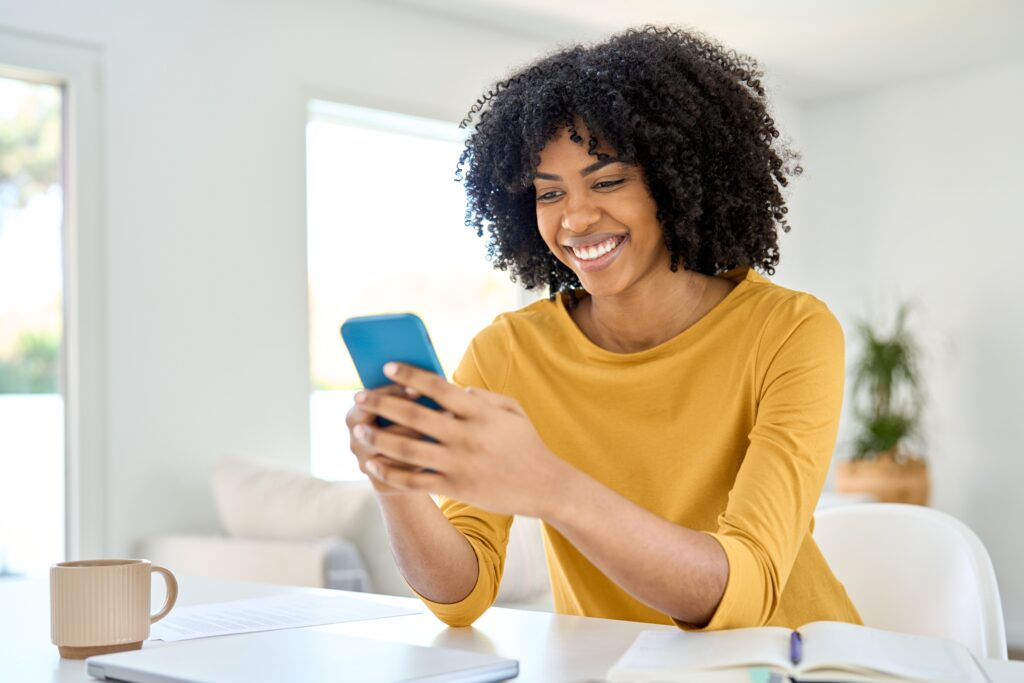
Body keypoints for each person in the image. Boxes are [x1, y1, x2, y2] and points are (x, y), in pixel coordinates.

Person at [345, 26, 861, 631]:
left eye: (608, 181)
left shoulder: (789, 332)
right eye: (548, 193)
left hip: (790, 664)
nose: (576, 218)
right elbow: (461, 597)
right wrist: (394, 478)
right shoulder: (509, 352)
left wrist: (551, 487)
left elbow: (743, 590)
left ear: (676, 179)